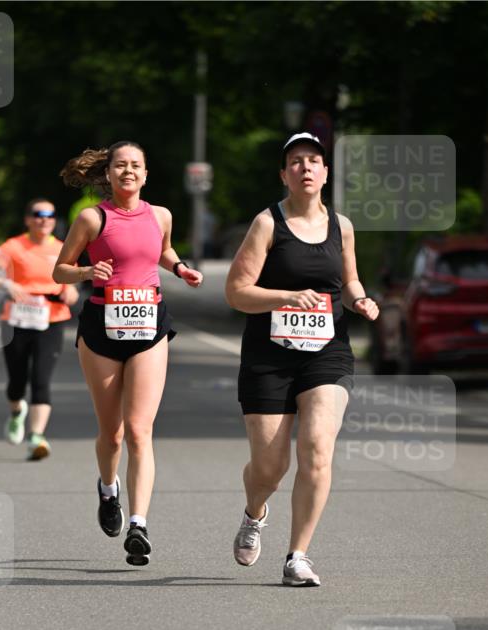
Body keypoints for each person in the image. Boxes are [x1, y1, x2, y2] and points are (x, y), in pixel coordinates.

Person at [225, 132, 379, 587]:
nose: (306, 168)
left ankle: (298, 555)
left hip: (327, 354)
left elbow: (348, 282)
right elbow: (237, 292)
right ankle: (255, 513)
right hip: (269, 357)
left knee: (316, 448)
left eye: (314, 161)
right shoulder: (267, 224)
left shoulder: (342, 226)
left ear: (326, 173)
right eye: (296, 162)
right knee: (270, 468)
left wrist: (362, 301)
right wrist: (288, 297)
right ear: (284, 175)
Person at [53, 140, 203, 566]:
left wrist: (179, 268)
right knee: (112, 433)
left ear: (145, 173)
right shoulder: (91, 218)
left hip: (149, 326)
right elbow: (59, 269)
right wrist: (86, 270)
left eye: (136, 165)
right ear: (109, 174)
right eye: (121, 166)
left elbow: (163, 250)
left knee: (139, 430)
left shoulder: (160, 215)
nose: (128, 172)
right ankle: (107, 488)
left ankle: (139, 524)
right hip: (102, 327)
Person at [0, 199, 79, 460]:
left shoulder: (63, 248)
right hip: (16, 321)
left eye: (49, 215)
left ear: (54, 220)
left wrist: (70, 292)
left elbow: (74, 284)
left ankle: (36, 437)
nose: (43, 220)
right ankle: (15, 412)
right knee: (17, 381)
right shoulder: (13, 247)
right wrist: (6, 285)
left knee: (41, 379)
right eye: (37, 215)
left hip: (52, 319)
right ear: (27, 219)